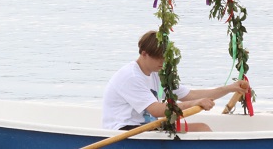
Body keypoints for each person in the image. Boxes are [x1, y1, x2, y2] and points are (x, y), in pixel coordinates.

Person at [102, 30, 249, 131]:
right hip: (124, 130)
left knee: (202, 128)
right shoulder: (131, 77)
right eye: (158, 58)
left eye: (165, 58)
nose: (162, 62)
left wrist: (230, 88)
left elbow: (190, 94)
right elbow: (157, 110)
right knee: (201, 129)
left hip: (146, 126)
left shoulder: (157, 73)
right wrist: (195, 104)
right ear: (144, 54)